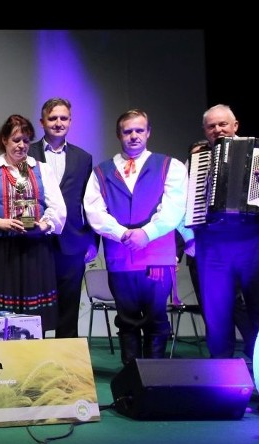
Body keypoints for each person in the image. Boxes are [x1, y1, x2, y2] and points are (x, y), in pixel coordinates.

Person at [83, 109, 187, 365]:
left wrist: (146, 233)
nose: (133, 136)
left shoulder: (169, 166)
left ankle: (156, 382)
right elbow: (94, 210)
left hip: (156, 258)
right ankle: (132, 386)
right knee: (127, 321)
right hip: (120, 257)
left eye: (139, 130)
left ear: (148, 133)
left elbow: (174, 208)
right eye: (127, 131)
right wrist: (122, 234)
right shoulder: (101, 172)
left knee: (156, 320)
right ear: (119, 134)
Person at [187, 104, 259, 359]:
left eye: (223, 124)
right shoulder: (198, 157)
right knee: (216, 316)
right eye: (211, 126)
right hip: (214, 244)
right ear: (205, 130)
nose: (218, 130)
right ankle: (222, 380)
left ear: (235, 125)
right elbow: (189, 200)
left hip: (254, 241)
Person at [0, 115, 66, 331]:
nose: (22, 145)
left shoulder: (41, 169)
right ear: (4, 140)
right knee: (0, 321)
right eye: (16, 140)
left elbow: (58, 209)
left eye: (26, 140)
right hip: (0, 252)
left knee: (34, 320)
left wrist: (43, 225)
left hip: (34, 251)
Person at [27, 98, 98, 339]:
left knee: (69, 306)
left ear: (70, 121)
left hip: (72, 242)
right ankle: (34, 361)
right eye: (52, 118)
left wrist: (92, 240)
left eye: (63, 118)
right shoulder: (27, 153)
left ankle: (65, 364)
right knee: (33, 306)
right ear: (42, 122)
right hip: (35, 242)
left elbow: (89, 202)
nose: (58, 123)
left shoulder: (83, 158)